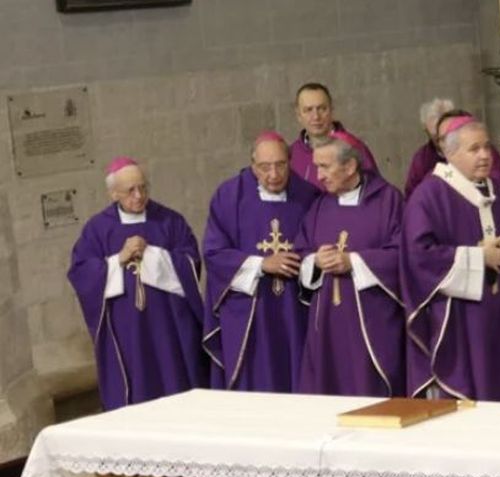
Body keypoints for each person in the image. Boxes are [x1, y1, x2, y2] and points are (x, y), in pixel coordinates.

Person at [402, 114, 500, 404]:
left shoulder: (497, 191)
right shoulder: (429, 196)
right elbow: (418, 257)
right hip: (463, 322)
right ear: (450, 153)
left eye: (487, 147)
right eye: (474, 149)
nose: (485, 156)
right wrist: (476, 257)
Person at [67, 158, 207, 411]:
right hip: (126, 331)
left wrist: (152, 255)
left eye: (143, 187)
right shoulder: (98, 229)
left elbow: (191, 263)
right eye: (130, 190)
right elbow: (81, 273)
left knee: (174, 385)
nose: (139, 195)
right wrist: (118, 259)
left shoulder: (169, 221)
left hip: (169, 327)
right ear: (113, 193)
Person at [201, 131, 319, 392]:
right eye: (265, 167)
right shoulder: (229, 197)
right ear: (253, 166)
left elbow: (320, 244)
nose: (274, 174)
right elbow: (213, 252)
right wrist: (261, 264)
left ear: (291, 161)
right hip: (249, 313)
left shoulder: (308, 196)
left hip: (295, 310)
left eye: (280, 165)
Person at [296, 133, 407, 399]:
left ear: (350, 167)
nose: (318, 176)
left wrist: (354, 262)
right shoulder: (320, 205)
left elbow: (403, 253)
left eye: (325, 167)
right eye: (317, 167)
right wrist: (315, 262)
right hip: (328, 326)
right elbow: (301, 251)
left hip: (373, 320)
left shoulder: (388, 201)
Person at [403, 98, 500, 199]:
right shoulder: (422, 160)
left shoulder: (483, 151)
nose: (444, 143)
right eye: (436, 138)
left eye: (448, 134)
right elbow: (414, 196)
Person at [289, 82, 380, 182]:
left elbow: (374, 190)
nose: (316, 117)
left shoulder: (354, 148)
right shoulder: (292, 154)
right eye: (308, 110)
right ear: (298, 116)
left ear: (331, 110)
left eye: (322, 109)